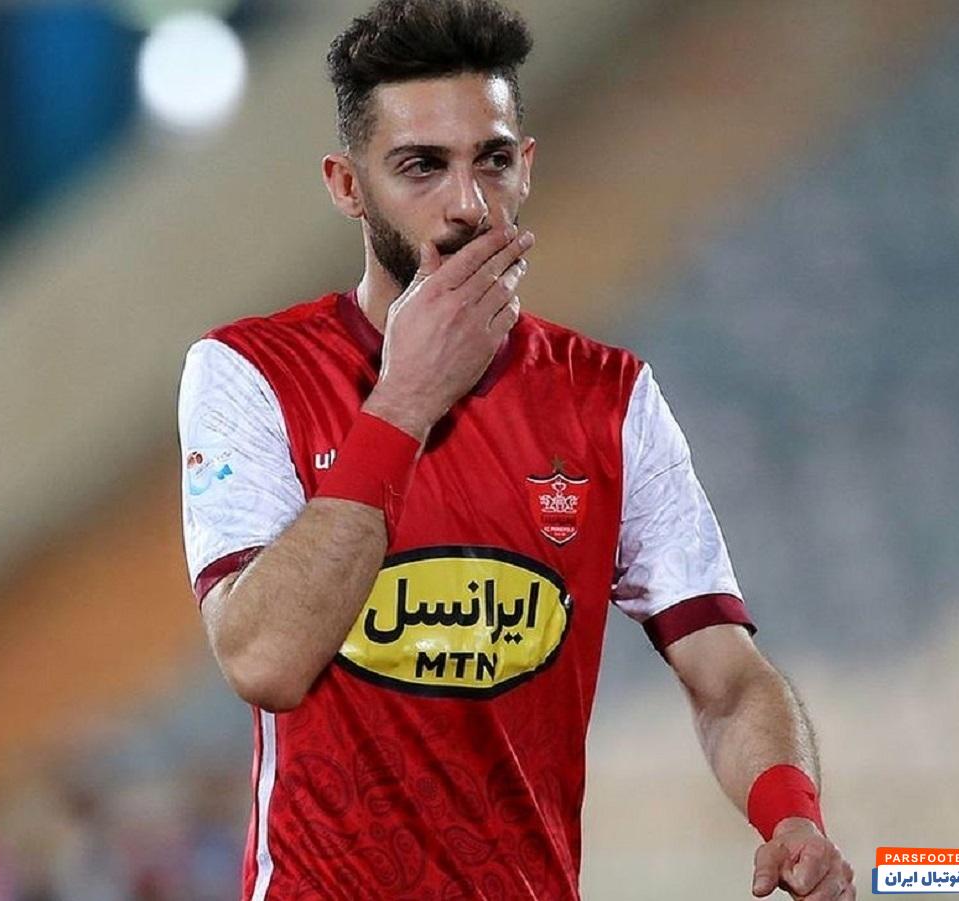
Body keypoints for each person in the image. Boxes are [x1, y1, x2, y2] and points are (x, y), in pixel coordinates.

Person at [177, 0, 856, 898]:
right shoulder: (251, 372)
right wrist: (406, 399)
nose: (467, 204)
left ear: (526, 166)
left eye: (491, 160)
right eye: (421, 166)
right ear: (347, 186)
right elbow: (263, 660)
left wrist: (791, 812)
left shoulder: (610, 399)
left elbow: (728, 679)